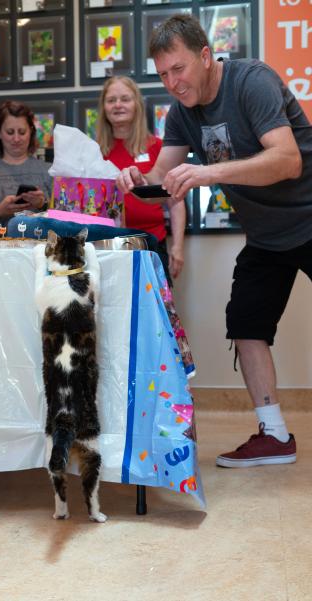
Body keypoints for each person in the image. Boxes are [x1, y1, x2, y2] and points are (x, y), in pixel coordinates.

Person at [117, 13, 312, 468]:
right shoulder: (181, 115)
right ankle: (275, 435)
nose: (172, 83)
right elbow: (164, 175)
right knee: (245, 322)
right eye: (163, 74)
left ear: (205, 56)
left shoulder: (252, 81)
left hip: (309, 216)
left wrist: (208, 172)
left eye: (179, 69)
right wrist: (138, 177)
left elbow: (287, 161)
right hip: (266, 236)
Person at [97, 76, 186, 283]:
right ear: (104, 107)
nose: (118, 105)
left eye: (125, 99)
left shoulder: (158, 147)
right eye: (111, 100)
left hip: (152, 244)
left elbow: (175, 200)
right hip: (106, 247)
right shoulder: (93, 152)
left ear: (137, 104)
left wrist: (178, 247)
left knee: (157, 310)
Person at [0, 100, 52, 240]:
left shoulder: (49, 171)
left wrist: (42, 205)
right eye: (10, 132)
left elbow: (66, 219)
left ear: (31, 131)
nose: (16, 139)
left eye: (22, 132)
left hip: (40, 253)